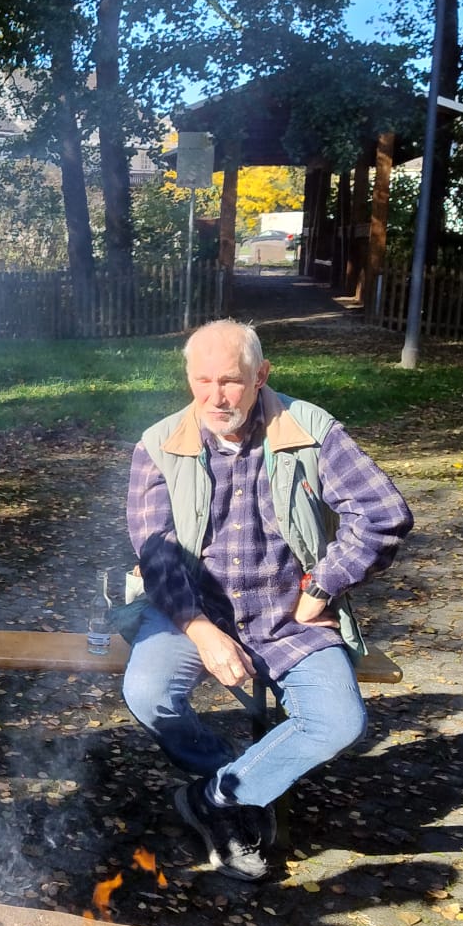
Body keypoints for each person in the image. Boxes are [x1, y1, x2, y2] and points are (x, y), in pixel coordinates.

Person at [123, 318, 412, 881]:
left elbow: (384, 514)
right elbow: (156, 557)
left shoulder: (310, 430)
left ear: (261, 375)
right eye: (202, 381)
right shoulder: (158, 445)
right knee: (148, 693)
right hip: (190, 612)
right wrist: (202, 631)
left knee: (339, 723)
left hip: (288, 617)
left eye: (230, 381)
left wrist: (324, 585)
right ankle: (233, 773)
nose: (215, 397)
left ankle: (216, 799)